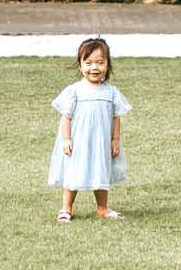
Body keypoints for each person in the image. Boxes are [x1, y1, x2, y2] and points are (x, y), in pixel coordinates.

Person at [51, 36, 131, 222]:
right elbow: (66, 116)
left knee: (101, 171)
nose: (94, 68)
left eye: (100, 63)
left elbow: (115, 117)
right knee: (73, 172)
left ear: (107, 65)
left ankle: (102, 208)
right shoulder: (74, 91)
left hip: (101, 141)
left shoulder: (111, 92)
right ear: (80, 66)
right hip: (79, 141)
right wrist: (67, 139)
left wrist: (115, 140)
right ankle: (66, 208)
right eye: (88, 63)